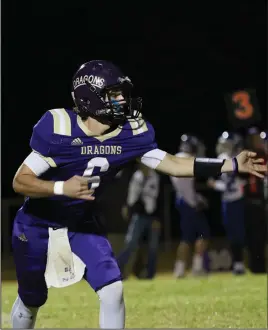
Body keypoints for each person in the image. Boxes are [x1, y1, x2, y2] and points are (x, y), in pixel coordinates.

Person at [11, 60, 267, 329]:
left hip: (79, 224)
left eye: (122, 92)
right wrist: (61, 188)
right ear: (90, 97)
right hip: (36, 223)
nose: (122, 99)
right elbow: (21, 181)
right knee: (32, 299)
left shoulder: (130, 134)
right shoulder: (59, 128)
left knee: (113, 290)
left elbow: (173, 164)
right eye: (113, 93)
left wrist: (231, 164)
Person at [171, 135, 210, 277]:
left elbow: (185, 186)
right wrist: (195, 202)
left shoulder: (175, 158)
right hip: (188, 203)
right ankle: (197, 267)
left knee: (186, 238)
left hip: (182, 200)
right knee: (203, 234)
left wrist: (197, 198)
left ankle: (179, 269)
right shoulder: (187, 160)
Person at [207, 131, 246, 274]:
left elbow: (230, 185)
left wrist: (215, 185)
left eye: (227, 145)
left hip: (235, 200)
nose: (224, 148)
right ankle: (237, 263)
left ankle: (239, 264)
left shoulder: (231, 159)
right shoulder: (228, 158)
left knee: (237, 233)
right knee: (233, 233)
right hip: (230, 200)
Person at [117, 164, 161, 279]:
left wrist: (158, 218)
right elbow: (132, 196)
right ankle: (117, 271)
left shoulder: (155, 176)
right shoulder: (137, 177)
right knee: (130, 243)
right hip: (139, 215)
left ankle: (150, 274)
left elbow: (158, 198)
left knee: (153, 246)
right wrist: (128, 208)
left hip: (152, 216)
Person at [244, 127, 267, 273]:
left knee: (262, 236)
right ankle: (254, 267)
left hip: (262, 201)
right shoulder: (246, 156)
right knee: (253, 237)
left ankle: (261, 267)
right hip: (251, 202)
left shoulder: (263, 155)